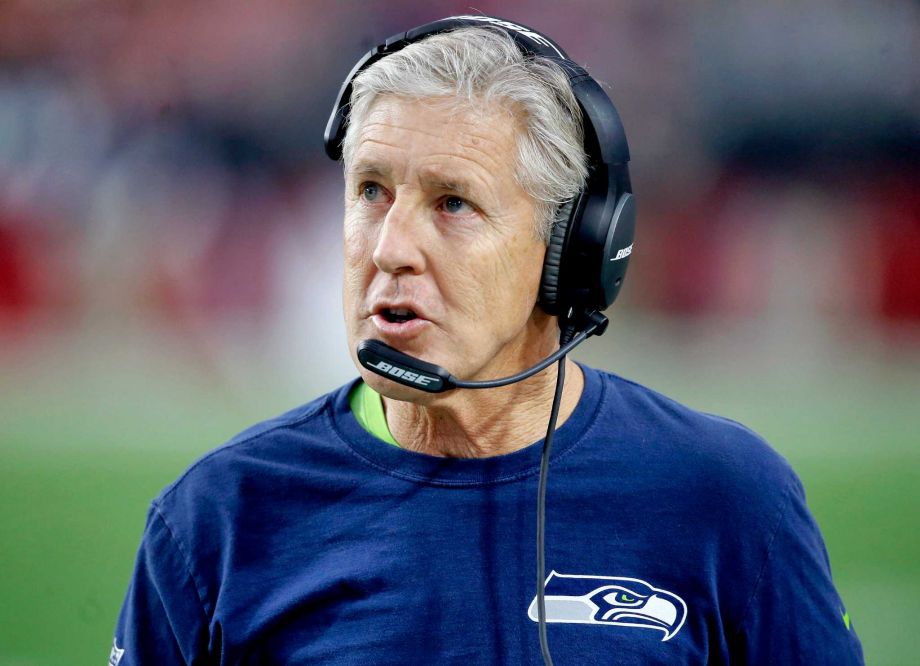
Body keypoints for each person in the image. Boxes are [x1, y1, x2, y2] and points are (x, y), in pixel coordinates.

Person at [112, 17, 864, 665]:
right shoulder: (216, 518)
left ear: (573, 252)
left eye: (453, 202)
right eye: (370, 191)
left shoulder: (729, 497)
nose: (391, 248)